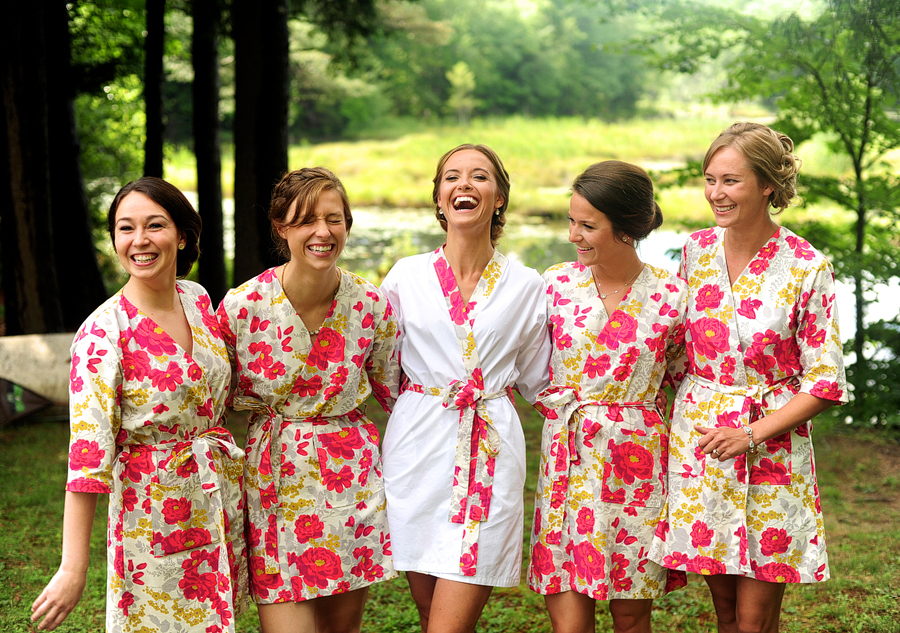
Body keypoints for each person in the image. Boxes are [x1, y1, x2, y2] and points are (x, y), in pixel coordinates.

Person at [648, 122, 848, 633]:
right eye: (710, 179)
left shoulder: (807, 266)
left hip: (771, 445)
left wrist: (753, 434)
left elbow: (825, 380)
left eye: (731, 181)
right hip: (703, 441)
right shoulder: (694, 251)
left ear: (766, 185)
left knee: (756, 618)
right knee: (725, 613)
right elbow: (670, 347)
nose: (716, 193)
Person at [30, 177, 248, 632]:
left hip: (217, 500)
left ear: (183, 234)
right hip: (152, 517)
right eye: (126, 228)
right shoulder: (102, 334)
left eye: (155, 225)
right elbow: (88, 458)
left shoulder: (197, 299)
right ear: (114, 239)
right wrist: (73, 568)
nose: (140, 240)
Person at [217, 167, 400, 633]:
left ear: (347, 225)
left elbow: (398, 393)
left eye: (334, 219)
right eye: (306, 220)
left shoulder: (371, 306)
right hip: (273, 483)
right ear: (282, 228)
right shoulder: (242, 307)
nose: (323, 232)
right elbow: (209, 400)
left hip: (350, 481)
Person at [379, 144, 552, 633]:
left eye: (479, 176)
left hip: (490, 449)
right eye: (452, 177)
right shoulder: (404, 277)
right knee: (431, 613)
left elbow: (540, 377)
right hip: (415, 449)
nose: (464, 185)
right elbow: (385, 368)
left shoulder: (526, 284)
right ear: (438, 199)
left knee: (447, 626)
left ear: (498, 197)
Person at [527, 161, 688, 633]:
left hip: (637, 465)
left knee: (632, 611)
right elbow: (525, 364)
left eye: (588, 225)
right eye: (571, 220)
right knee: (568, 609)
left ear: (626, 228)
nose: (574, 234)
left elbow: (684, 381)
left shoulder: (673, 296)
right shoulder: (554, 285)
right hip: (567, 459)